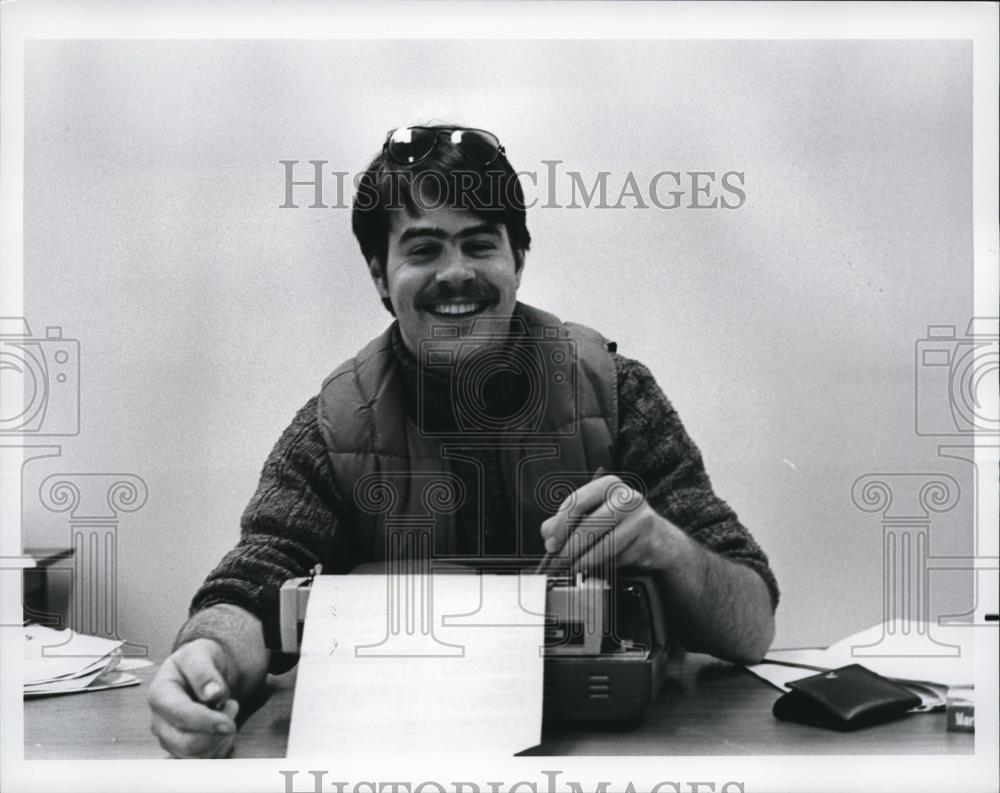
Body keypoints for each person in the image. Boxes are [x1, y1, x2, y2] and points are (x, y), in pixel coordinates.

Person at [148, 124, 780, 758]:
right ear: (380, 276)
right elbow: (252, 583)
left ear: (517, 262)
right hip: (397, 756)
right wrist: (207, 658)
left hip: (602, 755)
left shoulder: (616, 394)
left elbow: (751, 627)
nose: (456, 273)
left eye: (479, 244)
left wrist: (666, 545)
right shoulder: (334, 424)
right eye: (423, 249)